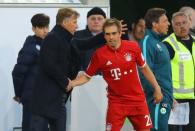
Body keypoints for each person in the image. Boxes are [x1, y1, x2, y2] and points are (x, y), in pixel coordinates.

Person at [67, 18, 163, 131]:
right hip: (116, 103)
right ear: (104, 35)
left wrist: (157, 88)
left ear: (119, 33)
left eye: (113, 33)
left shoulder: (133, 47)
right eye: (107, 34)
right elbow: (87, 76)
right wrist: (72, 83)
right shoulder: (99, 54)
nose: (111, 37)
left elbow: (145, 69)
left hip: (137, 100)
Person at [30, 8, 80, 131]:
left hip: (58, 98)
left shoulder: (65, 39)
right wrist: (66, 81)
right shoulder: (53, 37)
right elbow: (49, 65)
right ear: (64, 22)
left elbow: (84, 44)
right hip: (45, 100)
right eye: (74, 22)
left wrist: (103, 35)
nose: (77, 25)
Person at [12, 13, 49, 131]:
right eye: (41, 27)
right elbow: (17, 72)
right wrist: (19, 94)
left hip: (43, 95)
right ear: (34, 28)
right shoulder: (31, 47)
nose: (45, 30)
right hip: (31, 95)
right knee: (31, 127)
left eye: (46, 27)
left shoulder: (46, 45)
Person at [139, 8, 173, 131]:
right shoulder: (147, 42)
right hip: (156, 98)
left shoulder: (160, 43)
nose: (168, 24)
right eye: (165, 21)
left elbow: (163, 73)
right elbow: (144, 70)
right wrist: (157, 92)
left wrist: (170, 95)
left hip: (165, 96)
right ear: (154, 24)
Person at [163, 11, 195, 131]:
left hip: (193, 98)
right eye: (178, 24)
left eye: (184, 23)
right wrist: (168, 95)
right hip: (176, 99)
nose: (182, 26)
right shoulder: (168, 45)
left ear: (189, 23)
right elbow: (161, 73)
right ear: (173, 26)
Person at [74, 7, 106, 71]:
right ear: (87, 20)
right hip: (81, 77)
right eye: (93, 19)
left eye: (99, 19)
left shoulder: (110, 37)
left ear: (105, 21)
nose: (96, 21)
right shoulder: (76, 36)